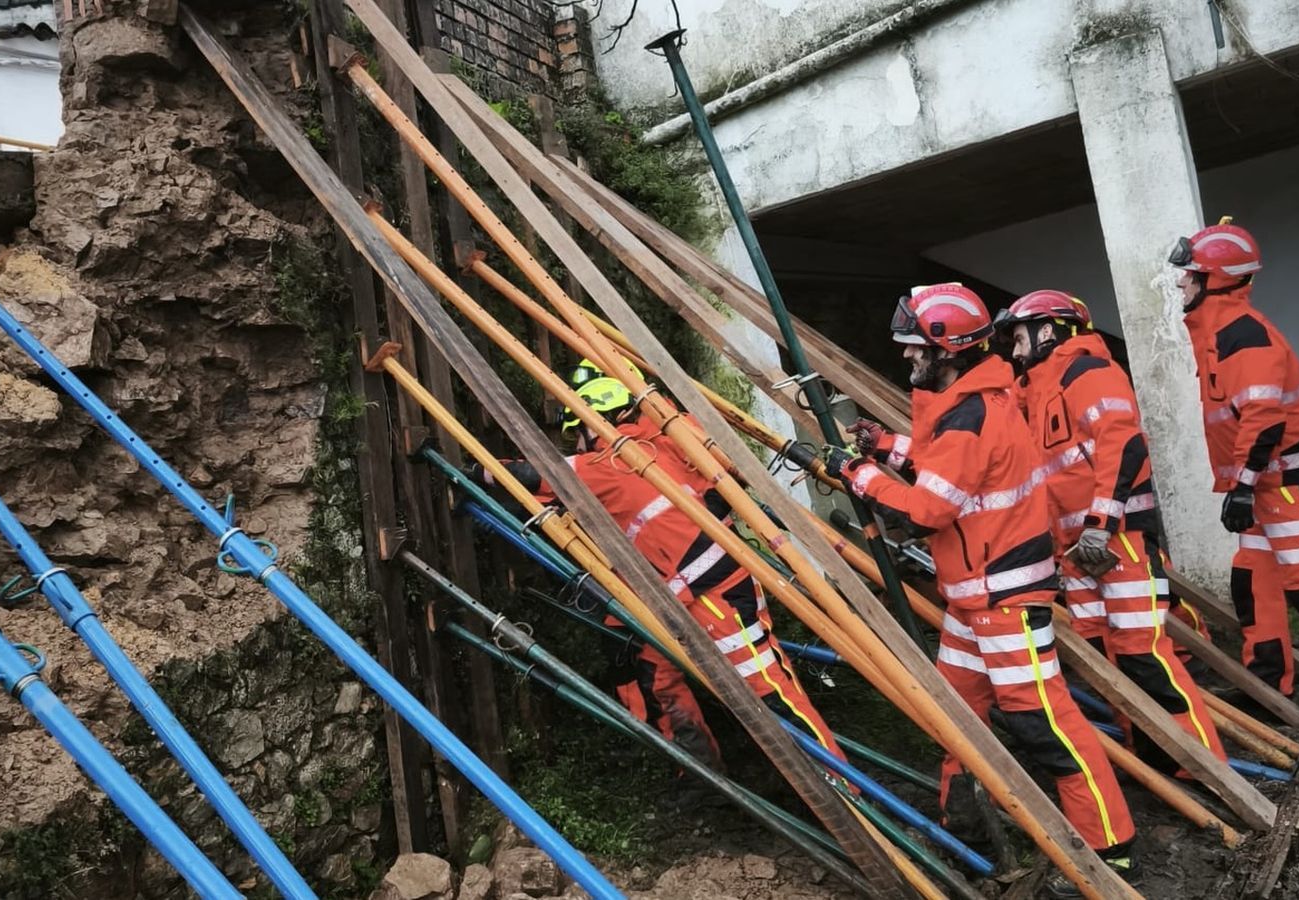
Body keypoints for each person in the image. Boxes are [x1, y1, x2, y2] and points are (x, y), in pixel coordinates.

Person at [826, 284, 1135, 896]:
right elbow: (953, 466)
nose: (908, 358)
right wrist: (885, 447)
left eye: (916, 349)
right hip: (974, 598)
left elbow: (927, 511)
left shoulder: (973, 410)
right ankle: (963, 828)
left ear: (947, 350)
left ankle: (1111, 851)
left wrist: (857, 474)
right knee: (958, 720)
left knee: (1044, 728)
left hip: (1004, 601)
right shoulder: (969, 402)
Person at [474, 367, 844, 772]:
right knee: (655, 672)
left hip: (714, 596)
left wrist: (479, 471)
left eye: (576, 435)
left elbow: (534, 476)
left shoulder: (603, 466)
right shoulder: (670, 436)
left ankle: (844, 790)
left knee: (767, 691)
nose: (576, 445)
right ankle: (703, 774)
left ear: (591, 426)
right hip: (686, 595)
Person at [991, 290, 1224, 769]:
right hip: (1078, 551)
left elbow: (1124, 444)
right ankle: (1154, 760)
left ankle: (1206, 769)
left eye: (1019, 338)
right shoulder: (1035, 391)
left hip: (1118, 542)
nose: (1014, 352)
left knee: (1142, 654)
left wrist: (1100, 525)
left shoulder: (1088, 372)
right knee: (1104, 659)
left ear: (1049, 330)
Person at [1172, 218, 1299, 695]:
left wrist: (1244, 486)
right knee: (1253, 583)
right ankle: (1269, 684)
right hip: (1264, 484)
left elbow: (1265, 419)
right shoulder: (1220, 334)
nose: (1179, 282)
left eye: (1188, 273)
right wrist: (1243, 488)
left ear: (1215, 279)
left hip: (1288, 482)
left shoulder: (1242, 336)